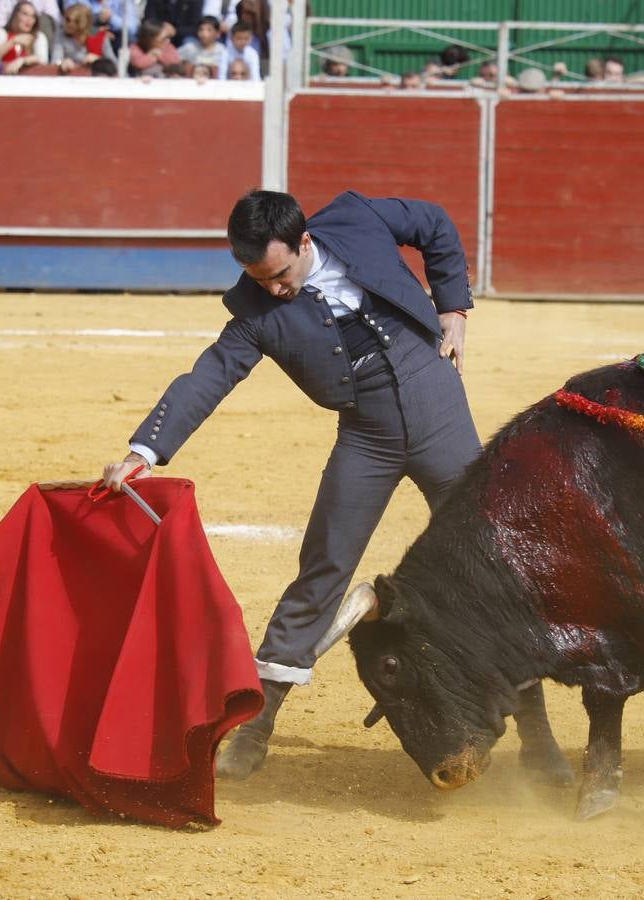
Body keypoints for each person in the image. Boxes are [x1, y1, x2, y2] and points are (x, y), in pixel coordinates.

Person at [98, 190, 575, 784]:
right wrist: (144, 450)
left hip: (438, 409)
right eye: (258, 278)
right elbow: (211, 373)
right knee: (323, 565)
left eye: (279, 274)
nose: (273, 289)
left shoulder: (356, 218)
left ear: (304, 243)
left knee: (493, 567)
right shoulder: (255, 310)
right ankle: (257, 727)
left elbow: (433, 223)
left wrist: (454, 306)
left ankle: (538, 741)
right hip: (367, 437)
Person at [0, 0, 48, 73]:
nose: (29, 20)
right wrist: (13, 41)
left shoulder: (39, 37)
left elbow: (43, 59)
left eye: (33, 16)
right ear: (15, 15)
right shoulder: (0, 32)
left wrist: (22, 61)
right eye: (25, 14)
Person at [52, 3, 113, 72]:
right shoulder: (61, 36)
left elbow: (114, 65)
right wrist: (62, 62)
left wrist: (98, 60)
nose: (70, 24)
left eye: (76, 21)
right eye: (68, 20)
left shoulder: (100, 37)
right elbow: (55, 61)